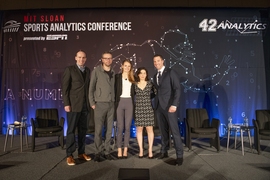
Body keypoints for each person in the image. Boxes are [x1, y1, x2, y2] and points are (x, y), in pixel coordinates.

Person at [152, 54, 184, 166]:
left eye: (158, 61)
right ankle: (164, 151)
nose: (156, 63)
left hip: (170, 107)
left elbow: (177, 89)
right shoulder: (155, 75)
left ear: (163, 61)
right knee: (163, 132)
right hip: (159, 107)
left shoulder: (170, 72)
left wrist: (174, 104)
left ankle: (179, 156)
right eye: (154, 61)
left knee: (175, 132)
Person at [62, 50, 91, 166]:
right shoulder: (69, 70)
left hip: (85, 105)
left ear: (86, 59)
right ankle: (69, 155)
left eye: (83, 57)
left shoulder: (88, 70)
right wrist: (66, 104)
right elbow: (65, 88)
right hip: (73, 105)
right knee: (71, 130)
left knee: (83, 130)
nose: (81, 59)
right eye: (79, 57)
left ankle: (81, 152)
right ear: (75, 58)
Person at [89, 51, 115, 162]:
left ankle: (107, 151)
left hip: (111, 104)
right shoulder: (96, 71)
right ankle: (98, 152)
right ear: (102, 59)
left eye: (110, 58)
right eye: (106, 58)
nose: (108, 60)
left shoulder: (114, 72)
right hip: (99, 104)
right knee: (98, 130)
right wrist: (92, 103)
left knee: (109, 130)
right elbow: (91, 88)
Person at [115, 59, 135, 159]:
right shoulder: (117, 77)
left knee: (127, 127)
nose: (127, 68)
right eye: (125, 65)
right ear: (122, 66)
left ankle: (125, 149)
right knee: (120, 127)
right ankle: (119, 148)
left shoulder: (133, 77)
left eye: (129, 66)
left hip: (129, 102)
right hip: (119, 102)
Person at [134, 67, 155, 159]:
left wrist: (148, 99)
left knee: (150, 129)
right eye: (141, 73)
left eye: (144, 73)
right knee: (139, 130)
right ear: (138, 74)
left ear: (146, 74)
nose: (142, 75)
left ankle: (150, 150)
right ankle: (141, 150)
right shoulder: (134, 84)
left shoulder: (150, 84)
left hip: (148, 108)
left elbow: (155, 92)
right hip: (138, 109)